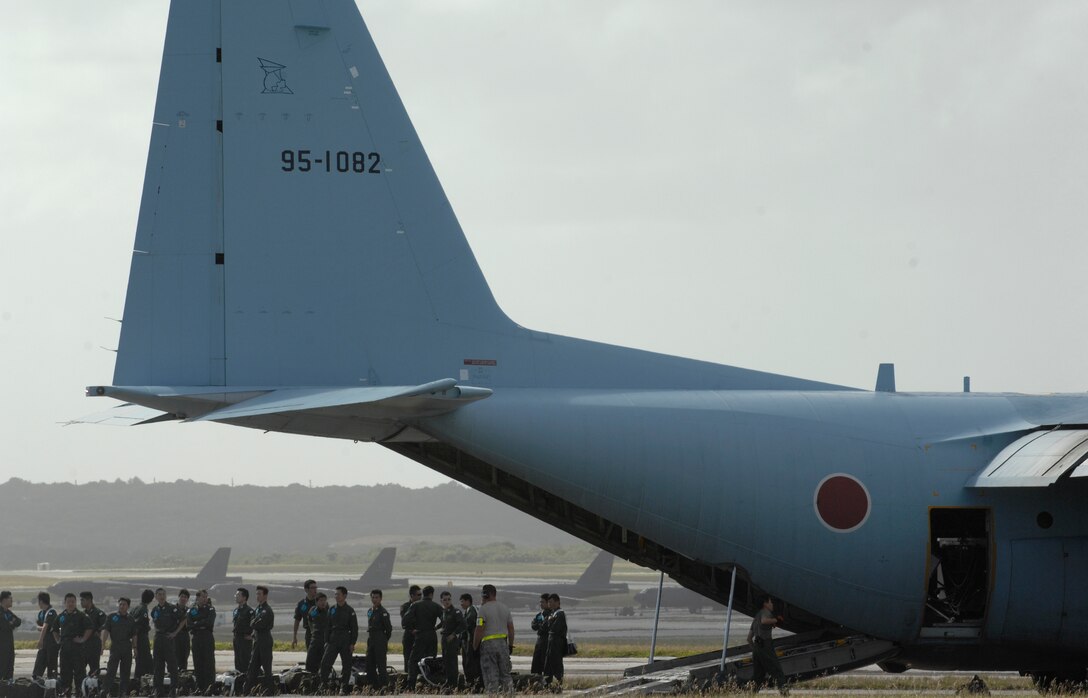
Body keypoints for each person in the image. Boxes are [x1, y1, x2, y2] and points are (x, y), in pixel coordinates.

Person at [472, 584, 514, 694]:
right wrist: (510, 645)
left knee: (491, 677)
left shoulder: (483, 610)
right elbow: (511, 629)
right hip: (503, 645)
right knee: (505, 675)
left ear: (486, 595)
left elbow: (479, 629)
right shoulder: (505, 608)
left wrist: (475, 646)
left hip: (488, 646)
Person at [318, 586, 357, 696]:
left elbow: (354, 628)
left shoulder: (350, 610)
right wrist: (326, 641)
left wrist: (352, 643)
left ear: (344, 596)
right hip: (333, 639)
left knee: (346, 665)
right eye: (335, 594)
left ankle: (343, 688)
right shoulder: (332, 609)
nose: (335, 596)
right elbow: (327, 626)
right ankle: (323, 686)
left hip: (345, 639)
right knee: (325, 663)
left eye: (338, 594)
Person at [747, 595, 788, 695]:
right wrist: (776, 620)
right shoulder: (766, 612)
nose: (772, 604)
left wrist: (756, 649)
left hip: (757, 647)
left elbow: (748, 639)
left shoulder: (756, 616)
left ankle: (750, 694)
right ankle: (785, 694)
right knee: (778, 672)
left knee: (758, 676)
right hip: (765, 645)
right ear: (765, 604)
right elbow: (764, 621)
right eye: (770, 602)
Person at [52, 592, 91, 697]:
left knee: (79, 673)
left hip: (78, 649)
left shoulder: (81, 615)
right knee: (65, 674)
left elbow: (89, 628)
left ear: (75, 603)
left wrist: (83, 639)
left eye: (73, 602)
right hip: (65, 648)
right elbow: (54, 629)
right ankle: (67, 694)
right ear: (65, 603)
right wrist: (58, 640)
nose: (71, 604)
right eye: (68, 602)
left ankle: (79, 693)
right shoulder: (61, 616)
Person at [405, 585, 443, 690]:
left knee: (413, 660)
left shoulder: (415, 605)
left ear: (424, 594)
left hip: (420, 635)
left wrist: (411, 629)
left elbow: (406, 620)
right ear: (431, 594)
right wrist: (436, 627)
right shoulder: (436, 606)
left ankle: (411, 685)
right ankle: (431, 685)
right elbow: (446, 620)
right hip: (431, 635)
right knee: (431, 661)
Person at [101, 597, 137, 698]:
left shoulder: (131, 619)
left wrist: (135, 647)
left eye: (124, 604)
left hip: (126, 647)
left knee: (125, 672)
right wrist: (102, 644)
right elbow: (106, 631)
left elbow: (134, 635)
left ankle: (123, 692)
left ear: (128, 606)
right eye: (120, 604)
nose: (121, 606)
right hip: (115, 646)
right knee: (111, 671)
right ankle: (105, 691)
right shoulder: (112, 617)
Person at [150, 588, 181, 698]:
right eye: (159, 594)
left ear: (166, 596)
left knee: (172, 666)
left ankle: (174, 690)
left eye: (163, 594)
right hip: (158, 639)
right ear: (156, 597)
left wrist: (175, 633)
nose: (162, 596)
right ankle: (158, 691)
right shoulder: (154, 610)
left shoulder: (172, 609)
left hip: (168, 639)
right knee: (158, 666)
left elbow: (183, 619)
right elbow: (155, 621)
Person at [246, 585, 275, 695]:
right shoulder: (258, 609)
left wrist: (254, 623)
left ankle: (269, 691)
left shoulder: (267, 610)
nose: (257, 596)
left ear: (265, 595)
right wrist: (254, 623)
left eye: (260, 594)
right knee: (252, 667)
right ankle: (248, 690)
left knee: (267, 667)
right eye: (257, 594)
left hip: (265, 640)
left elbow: (260, 624)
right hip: (257, 640)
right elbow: (252, 623)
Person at [188, 590, 216, 694]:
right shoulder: (192, 610)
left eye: (206, 597)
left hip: (207, 637)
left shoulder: (210, 609)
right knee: (198, 663)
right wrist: (200, 623)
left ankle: (209, 687)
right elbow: (189, 624)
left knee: (208, 663)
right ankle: (200, 687)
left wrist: (197, 623)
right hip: (196, 638)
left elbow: (209, 622)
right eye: (203, 597)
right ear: (198, 597)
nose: (205, 599)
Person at [365, 589, 391, 690]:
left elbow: (388, 629)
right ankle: (372, 684)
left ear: (380, 598)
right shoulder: (370, 611)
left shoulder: (383, 612)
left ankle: (384, 685)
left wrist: (383, 639)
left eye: (377, 597)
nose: (374, 599)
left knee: (381, 663)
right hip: (371, 638)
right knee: (369, 663)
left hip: (380, 638)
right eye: (373, 597)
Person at [438, 591, 465, 689]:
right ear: (441, 600)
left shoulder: (456, 612)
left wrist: (453, 634)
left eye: (449, 599)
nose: (447, 601)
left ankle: (453, 684)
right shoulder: (444, 612)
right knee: (446, 661)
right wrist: (436, 627)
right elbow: (443, 623)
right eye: (445, 600)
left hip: (451, 640)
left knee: (452, 662)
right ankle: (448, 681)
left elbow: (462, 625)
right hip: (444, 639)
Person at [80, 591, 107, 680]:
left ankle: (94, 689)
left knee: (94, 670)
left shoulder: (99, 614)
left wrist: (102, 644)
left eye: (82, 600)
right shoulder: (81, 615)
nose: (81, 602)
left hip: (94, 646)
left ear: (89, 600)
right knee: (79, 669)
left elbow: (104, 629)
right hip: (83, 646)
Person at [232, 588, 254, 695]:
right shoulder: (236, 610)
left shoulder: (249, 611)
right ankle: (239, 686)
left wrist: (252, 636)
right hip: (237, 639)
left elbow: (254, 625)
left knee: (245, 662)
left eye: (238, 595)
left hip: (245, 639)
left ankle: (247, 687)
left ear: (244, 597)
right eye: (236, 595)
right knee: (238, 662)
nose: (235, 596)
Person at [33, 591, 59, 680]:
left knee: (51, 666)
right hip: (45, 643)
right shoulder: (41, 613)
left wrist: (40, 640)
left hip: (52, 643)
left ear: (41, 601)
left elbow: (45, 627)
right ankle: (36, 682)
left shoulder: (51, 612)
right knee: (39, 663)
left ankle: (52, 686)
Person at [542, 594, 567, 687]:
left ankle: (559, 682)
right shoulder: (553, 613)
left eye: (551, 602)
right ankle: (547, 683)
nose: (549, 604)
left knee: (556, 662)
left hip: (556, 643)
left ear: (557, 602)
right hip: (551, 642)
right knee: (548, 663)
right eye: (548, 602)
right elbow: (544, 627)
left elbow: (554, 629)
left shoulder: (560, 614)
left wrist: (550, 621)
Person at [459, 594, 481, 691]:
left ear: (468, 601)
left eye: (462, 601)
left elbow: (469, 624)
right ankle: (472, 684)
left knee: (470, 663)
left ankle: (472, 685)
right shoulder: (468, 611)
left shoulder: (471, 610)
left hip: (470, 641)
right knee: (468, 663)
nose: (461, 604)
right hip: (467, 641)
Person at [131, 589, 154, 681]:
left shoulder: (135, 608)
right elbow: (140, 625)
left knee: (139, 660)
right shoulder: (143, 609)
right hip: (141, 638)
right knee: (145, 661)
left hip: (135, 637)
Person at [304, 592, 329, 673]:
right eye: (321, 600)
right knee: (310, 661)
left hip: (325, 640)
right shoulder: (313, 610)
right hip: (315, 639)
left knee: (324, 663)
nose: (323, 602)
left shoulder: (329, 611)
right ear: (316, 602)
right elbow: (309, 620)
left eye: (325, 600)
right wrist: (312, 630)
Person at [0, 591, 22, 681]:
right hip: (1, 646)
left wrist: (11, 623)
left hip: (9, 645)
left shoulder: (8, 612)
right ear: (4, 600)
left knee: (9, 669)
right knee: (2, 669)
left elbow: (18, 621)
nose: (12, 600)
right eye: (10, 598)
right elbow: (5, 626)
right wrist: (11, 623)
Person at [399, 585, 421, 672]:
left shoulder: (422, 605)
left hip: (419, 636)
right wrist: (412, 629)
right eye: (418, 595)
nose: (420, 597)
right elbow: (405, 621)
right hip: (409, 635)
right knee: (408, 659)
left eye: (421, 594)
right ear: (412, 596)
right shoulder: (405, 606)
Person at [292, 580, 318, 651]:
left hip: (320, 632)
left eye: (316, 587)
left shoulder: (321, 602)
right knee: (310, 656)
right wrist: (294, 636)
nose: (315, 589)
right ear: (306, 589)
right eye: (312, 588)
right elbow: (297, 620)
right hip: (309, 633)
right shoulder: (301, 604)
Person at [530, 593, 551, 675]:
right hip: (539, 642)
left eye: (542, 602)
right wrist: (540, 625)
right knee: (536, 665)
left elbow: (545, 628)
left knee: (546, 666)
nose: (540, 604)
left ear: (548, 603)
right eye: (540, 602)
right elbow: (533, 626)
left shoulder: (552, 614)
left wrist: (540, 625)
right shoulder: (540, 615)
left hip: (548, 642)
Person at [174, 590, 191, 672]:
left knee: (184, 658)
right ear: (179, 597)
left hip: (185, 636)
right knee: (175, 659)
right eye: (182, 596)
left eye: (185, 597)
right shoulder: (173, 609)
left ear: (187, 599)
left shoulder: (189, 611)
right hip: (175, 636)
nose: (183, 599)